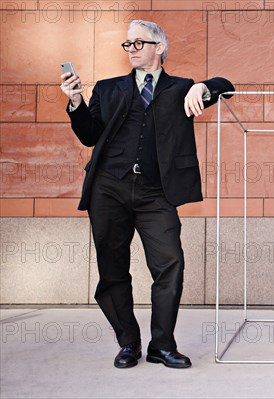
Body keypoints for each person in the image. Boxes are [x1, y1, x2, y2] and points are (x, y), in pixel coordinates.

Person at [60, 20, 234, 369]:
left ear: (160, 47)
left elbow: (227, 87)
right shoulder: (108, 89)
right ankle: (128, 343)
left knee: (170, 263)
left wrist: (202, 87)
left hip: (157, 192)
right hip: (109, 189)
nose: (132, 48)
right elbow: (89, 135)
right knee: (112, 271)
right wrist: (76, 100)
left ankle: (162, 345)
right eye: (128, 44)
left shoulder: (182, 88)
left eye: (139, 42)